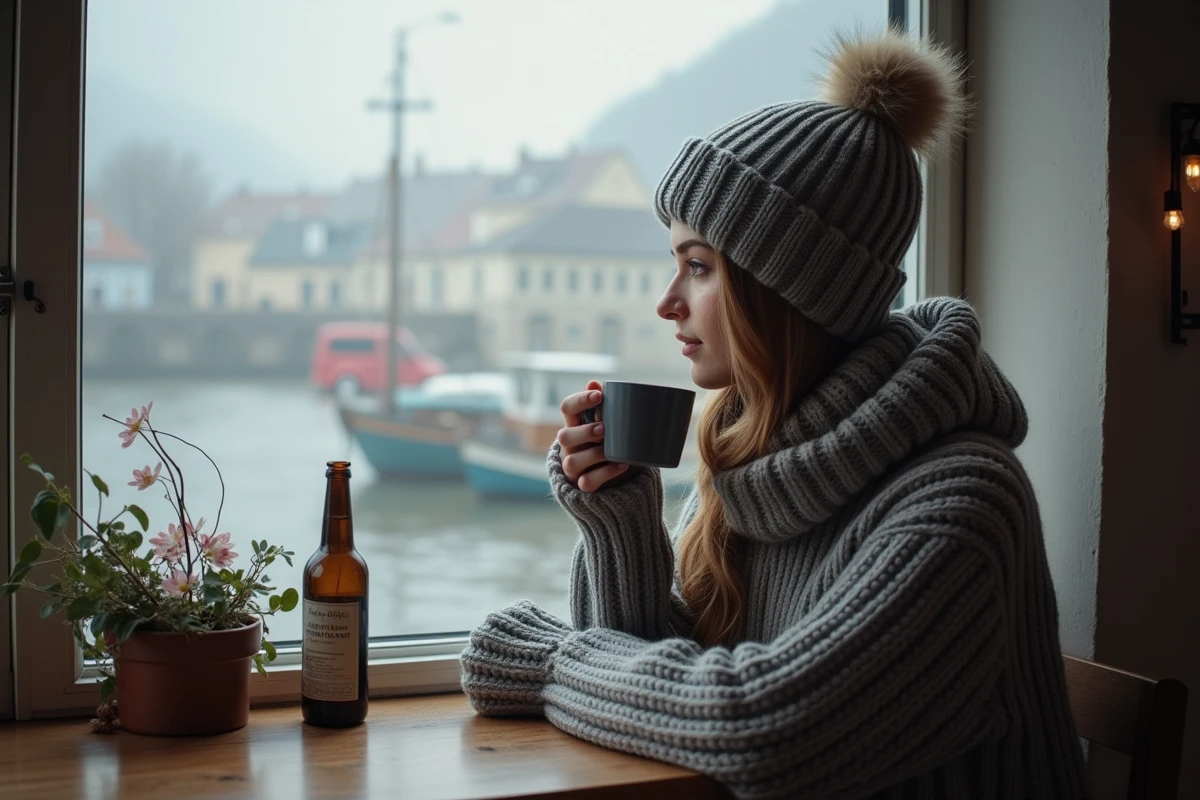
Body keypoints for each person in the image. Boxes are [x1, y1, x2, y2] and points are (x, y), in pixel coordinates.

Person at [460, 28, 1091, 800]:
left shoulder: (961, 505)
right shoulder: (761, 456)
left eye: (698, 266)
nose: (667, 302)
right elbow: (669, 698)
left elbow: (763, 730)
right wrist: (620, 522)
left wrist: (554, 663)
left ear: (791, 290)